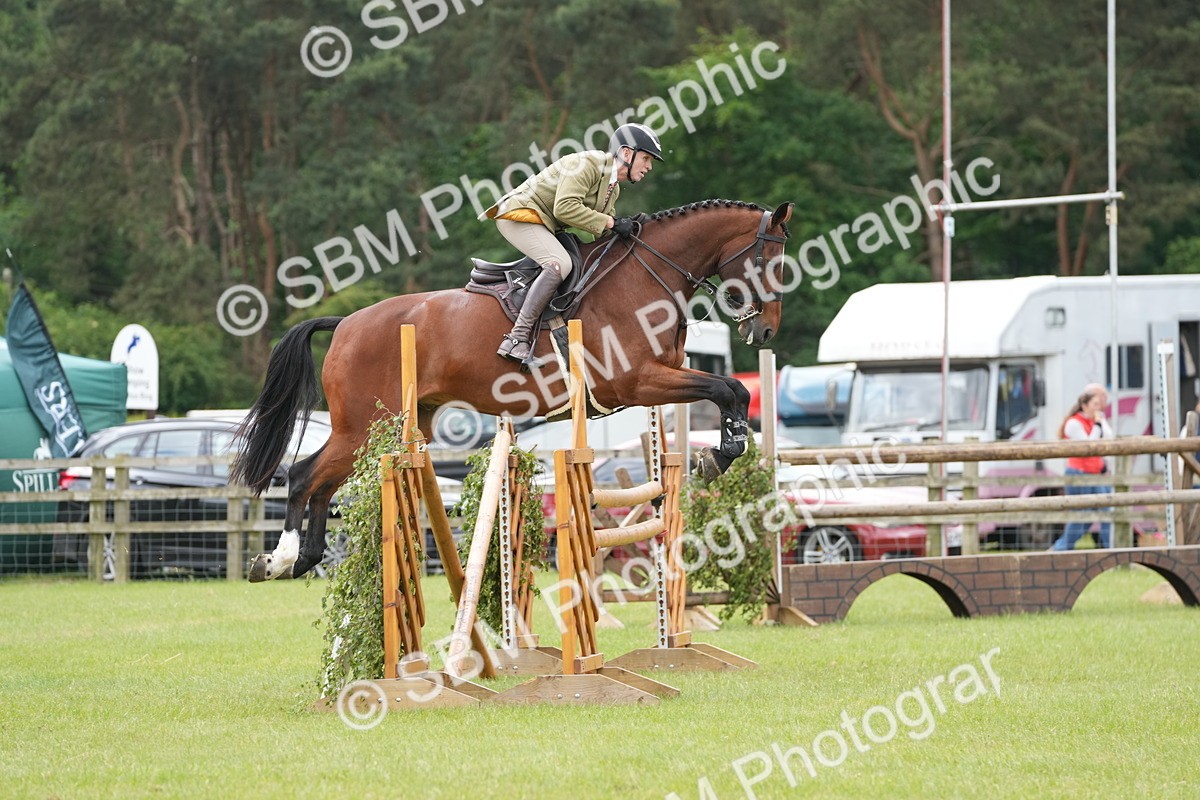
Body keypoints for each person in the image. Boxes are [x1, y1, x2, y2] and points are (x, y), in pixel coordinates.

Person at [480, 122, 664, 363]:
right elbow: (565, 208)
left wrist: (634, 232)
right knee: (559, 263)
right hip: (520, 215)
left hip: (543, 223)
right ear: (627, 153)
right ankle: (517, 338)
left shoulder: (613, 189)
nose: (649, 166)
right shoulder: (587, 163)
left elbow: (602, 234)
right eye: (647, 158)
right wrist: (610, 222)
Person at [1051, 383, 1114, 550]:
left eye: (1099, 406)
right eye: (1094, 405)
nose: (1097, 409)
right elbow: (1089, 446)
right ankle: (1062, 548)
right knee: (1081, 516)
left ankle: (1112, 549)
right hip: (1079, 473)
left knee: (1104, 513)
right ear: (1084, 406)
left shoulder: (1094, 421)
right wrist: (1097, 425)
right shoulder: (1073, 424)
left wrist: (1101, 421)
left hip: (1096, 473)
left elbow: (1108, 438)